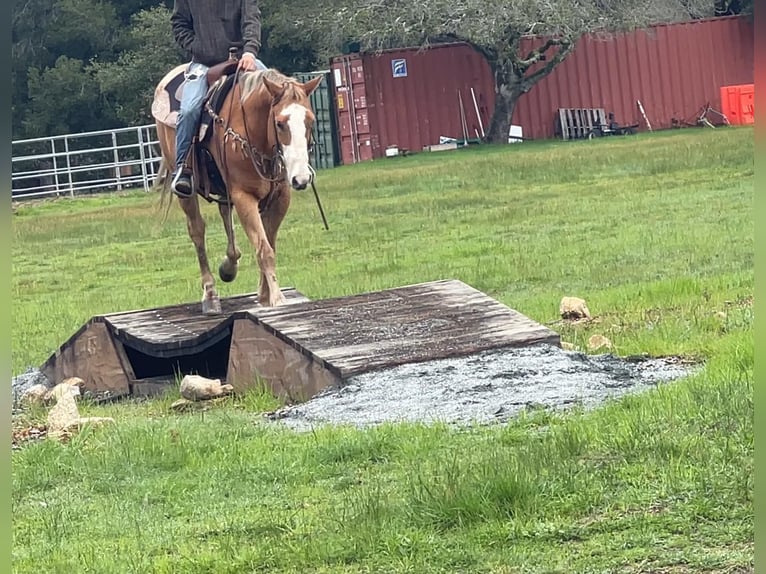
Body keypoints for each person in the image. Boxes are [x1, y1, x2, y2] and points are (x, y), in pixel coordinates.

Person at [169, 0, 266, 198]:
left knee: (278, 94)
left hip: (243, 59)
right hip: (204, 65)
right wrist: (198, 47)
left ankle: (292, 158)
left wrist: (249, 51)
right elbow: (179, 24)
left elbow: (251, 19)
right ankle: (183, 168)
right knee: (189, 110)